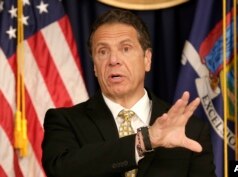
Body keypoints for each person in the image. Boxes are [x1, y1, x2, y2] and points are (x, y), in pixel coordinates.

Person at [42, 9, 216, 177]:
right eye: (103, 51)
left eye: (125, 48)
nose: (113, 60)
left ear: (147, 59)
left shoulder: (190, 129)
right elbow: (61, 170)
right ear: (95, 67)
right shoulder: (65, 122)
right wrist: (145, 141)